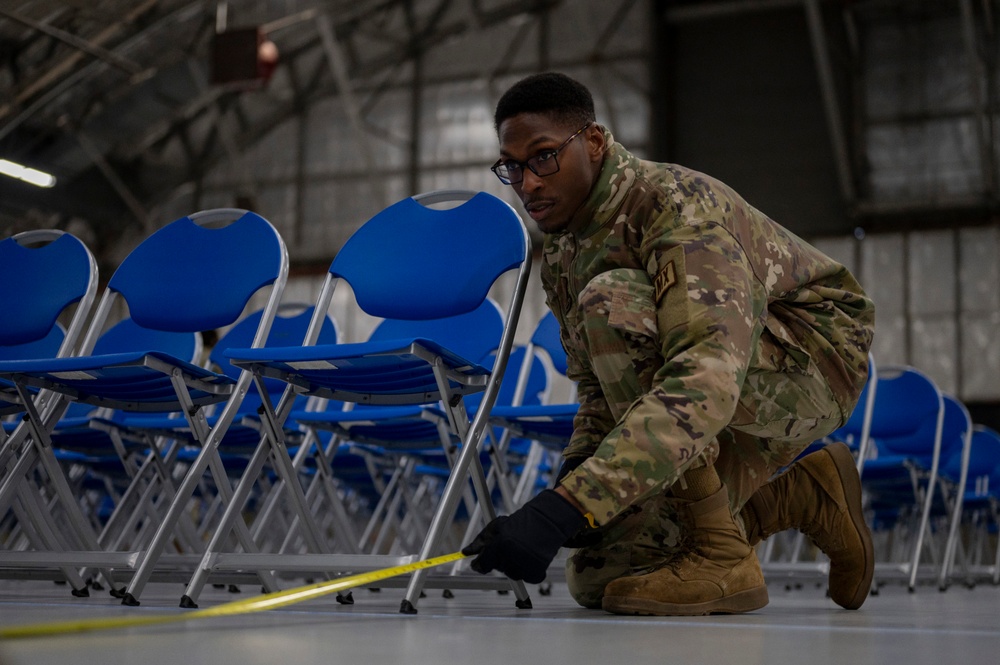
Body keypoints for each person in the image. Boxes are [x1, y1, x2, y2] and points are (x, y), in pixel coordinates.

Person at [462, 72, 875, 616]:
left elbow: (704, 381)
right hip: (726, 377)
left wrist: (566, 507)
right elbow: (595, 386)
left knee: (611, 301)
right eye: (511, 167)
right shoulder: (564, 246)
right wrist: (576, 483)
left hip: (812, 363)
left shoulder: (675, 207)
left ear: (592, 141)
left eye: (542, 157)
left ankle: (720, 553)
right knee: (601, 576)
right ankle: (806, 495)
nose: (527, 183)